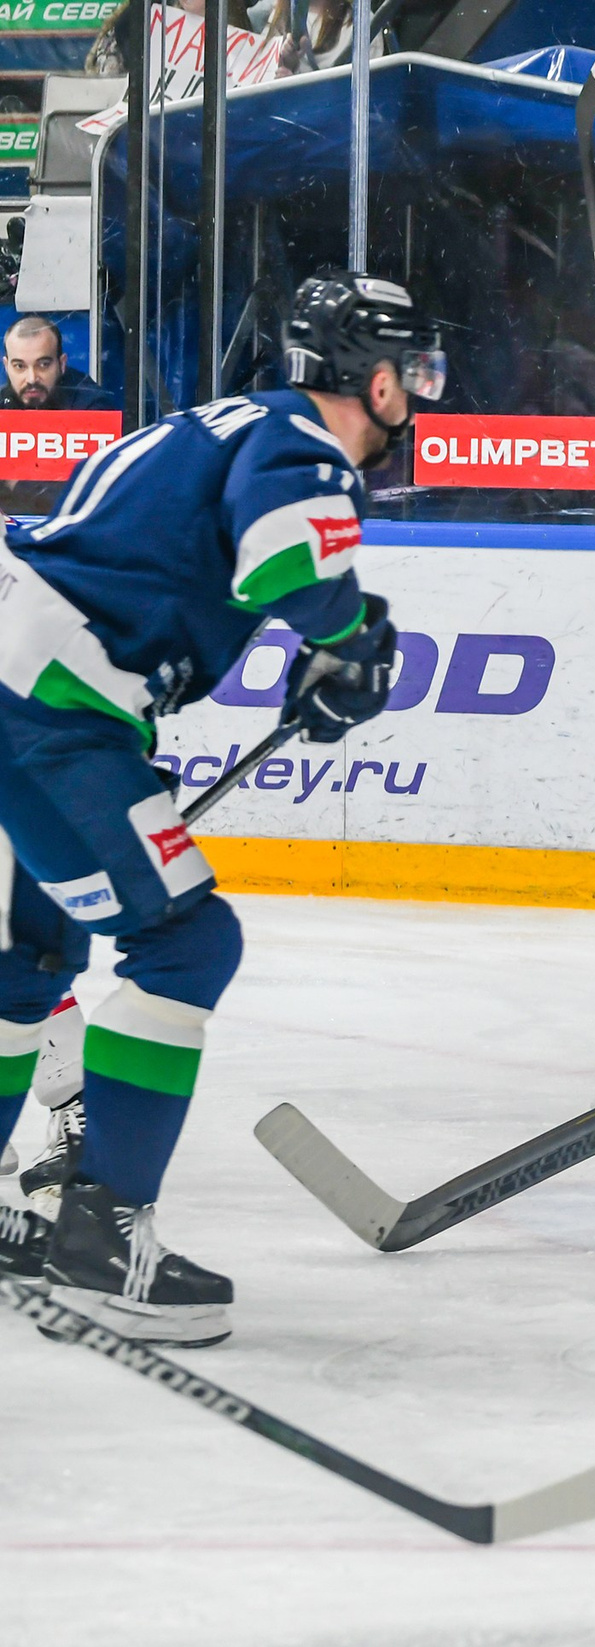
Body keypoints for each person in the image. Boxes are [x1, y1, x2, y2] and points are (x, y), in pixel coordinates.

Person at [0, 269, 430, 1344]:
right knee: (186, 946)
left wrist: (327, 641)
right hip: (45, 702)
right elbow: (285, 556)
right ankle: (102, 1243)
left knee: (28, 956)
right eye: (412, 371)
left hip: (26, 667)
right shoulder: (301, 443)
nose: (416, 395)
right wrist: (347, 638)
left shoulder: (209, 418)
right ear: (372, 380)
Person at [0, 317, 113, 410]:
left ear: (62, 364)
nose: (31, 379)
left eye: (43, 365)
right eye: (20, 366)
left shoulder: (90, 406)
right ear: (6, 366)